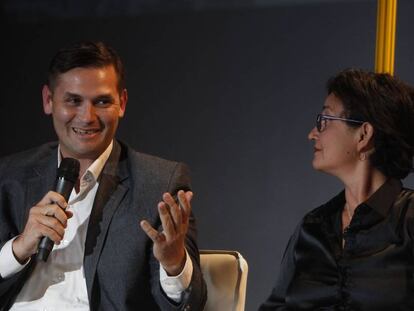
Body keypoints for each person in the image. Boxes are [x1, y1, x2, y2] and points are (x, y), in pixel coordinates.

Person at [0, 41, 207, 310]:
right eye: (73, 100)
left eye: (101, 101)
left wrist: (174, 263)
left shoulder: (159, 182)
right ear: (49, 101)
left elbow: (193, 301)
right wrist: (18, 248)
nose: (87, 117)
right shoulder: (10, 175)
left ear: (121, 103)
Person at [260, 69, 414, 310]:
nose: (312, 134)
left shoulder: (409, 220)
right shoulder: (311, 228)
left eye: (325, 120)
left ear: (363, 134)